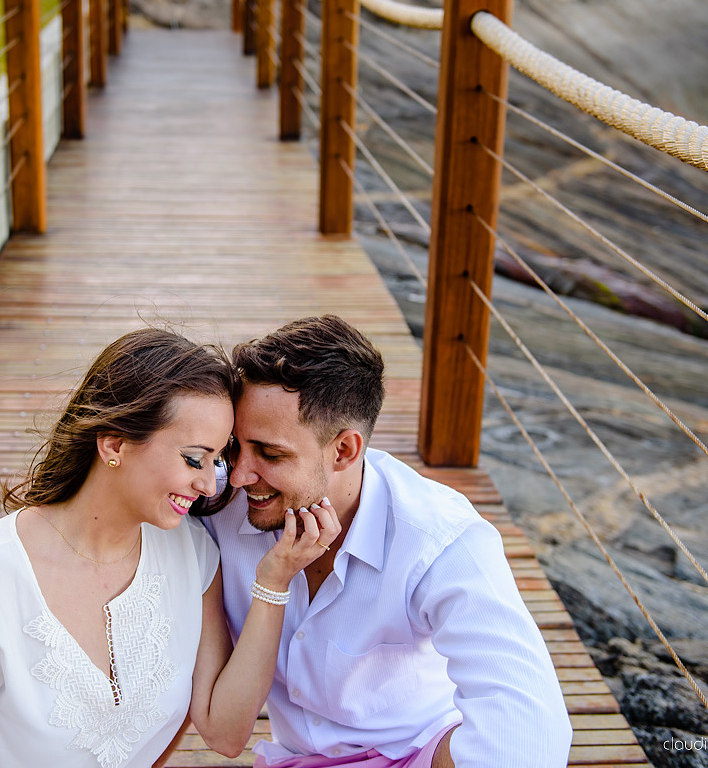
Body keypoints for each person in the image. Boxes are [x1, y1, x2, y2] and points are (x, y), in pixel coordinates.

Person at [0, 328, 341, 768]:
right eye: (193, 458)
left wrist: (273, 582)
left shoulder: (193, 555)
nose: (209, 485)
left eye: (217, 459)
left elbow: (225, 731)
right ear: (114, 443)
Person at [202, 315, 573, 768]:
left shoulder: (440, 539)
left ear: (344, 451)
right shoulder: (213, 504)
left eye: (270, 453)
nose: (238, 475)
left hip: (418, 753)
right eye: (233, 447)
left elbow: (532, 730)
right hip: (294, 759)